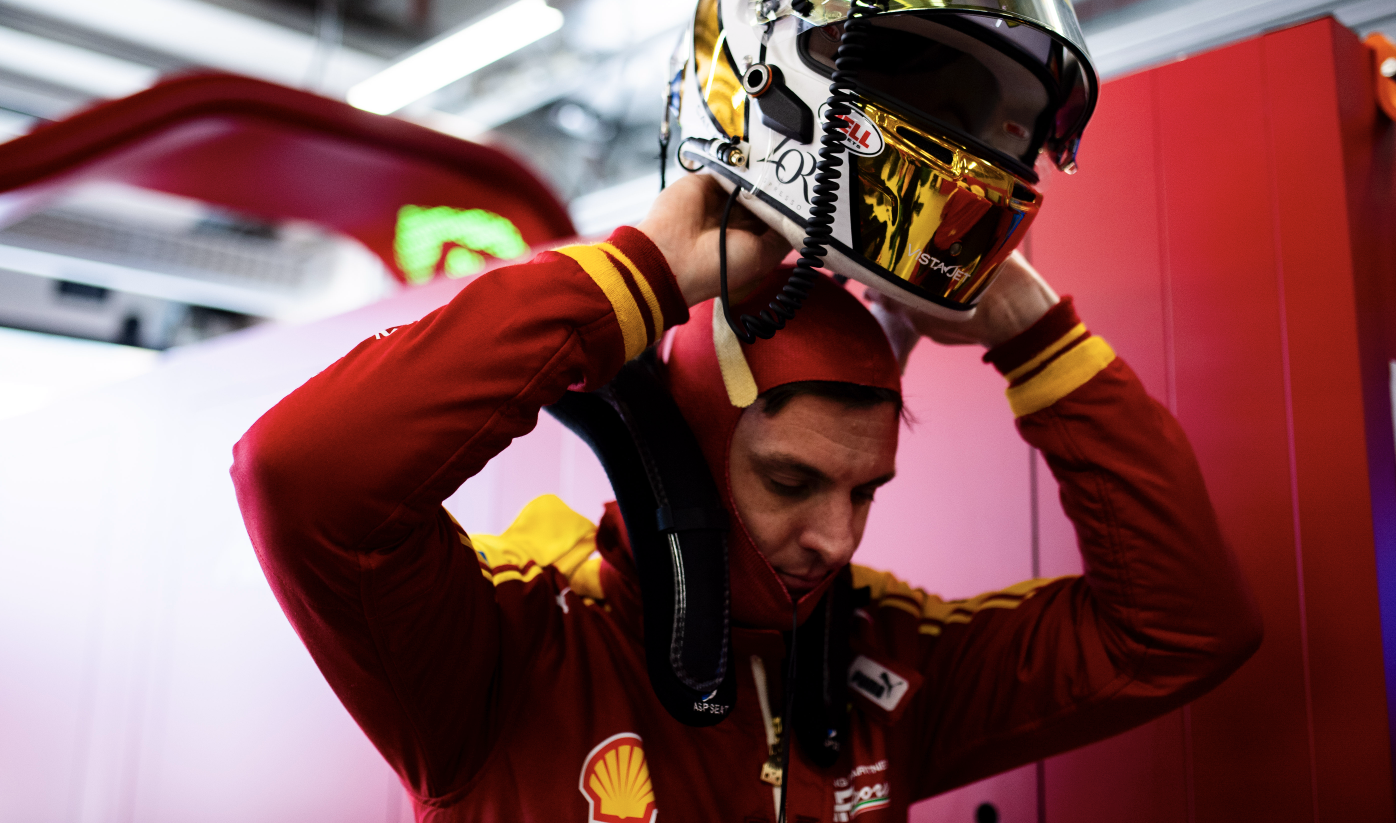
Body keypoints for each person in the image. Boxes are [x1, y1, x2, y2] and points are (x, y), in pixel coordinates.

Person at [232, 171, 1262, 822]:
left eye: (867, 490)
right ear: (679, 451)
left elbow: (1180, 629)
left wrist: (1035, 333)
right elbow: (305, 477)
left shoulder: (886, 661)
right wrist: (637, 274)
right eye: (790, 480)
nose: (836, 536)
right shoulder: (513, 643)